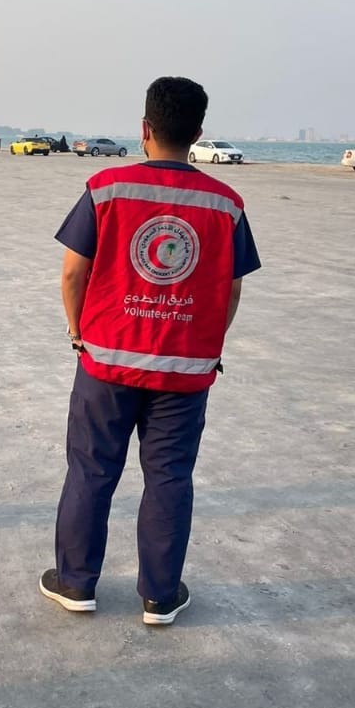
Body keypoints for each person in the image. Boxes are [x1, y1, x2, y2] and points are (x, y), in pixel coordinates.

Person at [40, 76, 261, 624]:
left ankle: (76, 583)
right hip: (184, 371)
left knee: (91, 471)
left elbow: (73, 273)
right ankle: (160, 595)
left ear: (144, 128)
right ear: (198, 132)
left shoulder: (106, 188)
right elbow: (232, 288)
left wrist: (78, 332)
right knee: (169, 477)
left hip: (106, 362)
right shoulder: (226, 203)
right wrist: (208, 344)